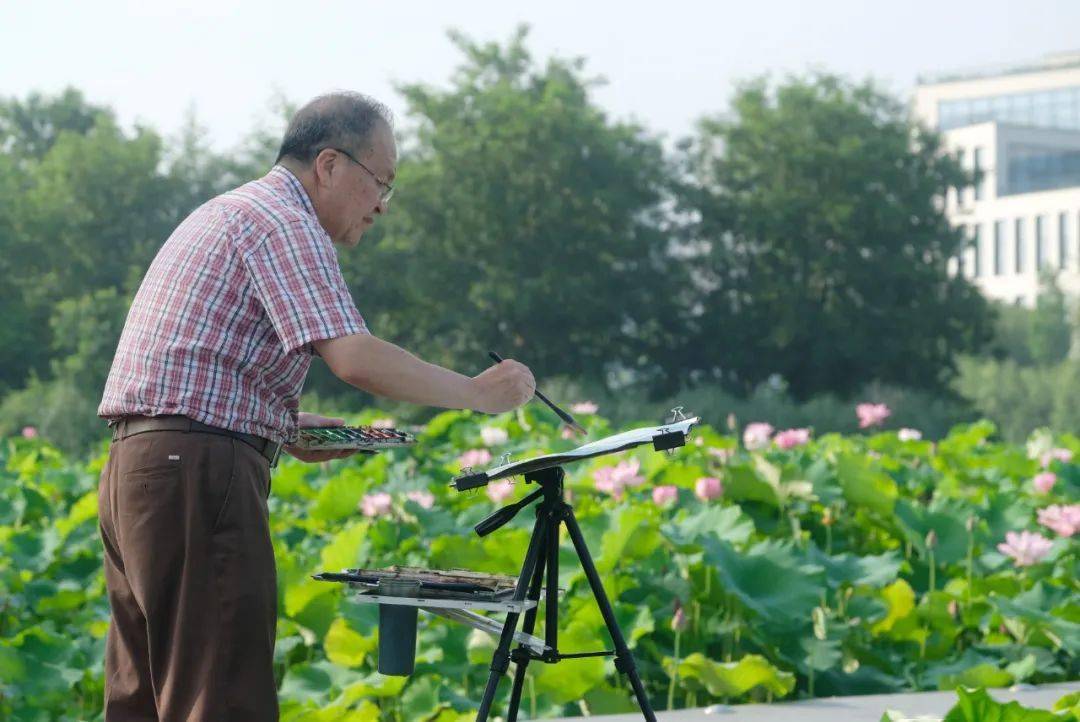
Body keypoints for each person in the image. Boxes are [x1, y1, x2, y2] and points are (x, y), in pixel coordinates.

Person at [96, 91, 535, 721]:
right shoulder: (286, 219)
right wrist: (475, 393)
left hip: (140, 469)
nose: (383, 205)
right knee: (220, 696)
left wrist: (281, 425)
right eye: (381, 181)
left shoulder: (232, 210)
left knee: (144, 699)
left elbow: (193, 371)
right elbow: (353, 357)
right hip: (196, 471)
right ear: (328, 165)